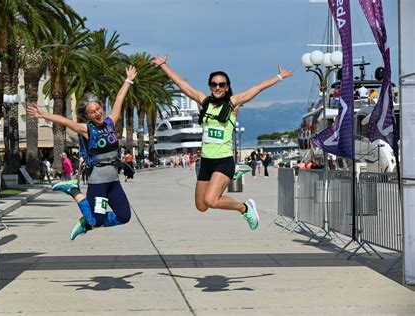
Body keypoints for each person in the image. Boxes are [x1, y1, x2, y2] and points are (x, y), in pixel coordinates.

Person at [153, 53, 292, 230]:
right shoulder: (203, 102)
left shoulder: (233, 103)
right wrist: (162, 65)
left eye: (221, 84)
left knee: (211, 200)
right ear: (210, 86)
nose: (217, 87)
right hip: (206, 162)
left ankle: (245, 208)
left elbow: (256, 88)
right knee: (201, 206)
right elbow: (181, 83)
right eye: (214, 84)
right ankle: (236, 174)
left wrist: (279, 77)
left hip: (223, 160)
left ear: (227, 87)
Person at [26, 66, 137, 240]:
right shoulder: (86, 129)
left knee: (124, 216)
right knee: (96, 219)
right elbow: (64, 120)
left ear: (102, 108)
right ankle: (73, 190)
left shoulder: (110, 122)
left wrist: (128, 80)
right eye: (92, 112)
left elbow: (119, 100)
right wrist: (43, 115)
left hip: (113, 181)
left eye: (98, 109)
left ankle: (86, 224)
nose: (97, 113)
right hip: (98, 182)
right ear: (87, 116)